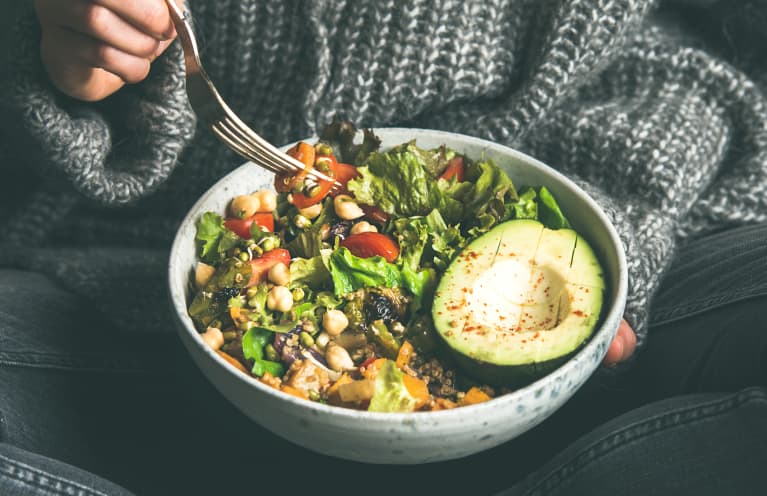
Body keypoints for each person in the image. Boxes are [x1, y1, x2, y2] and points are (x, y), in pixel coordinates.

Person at [0, 0, 764, 494]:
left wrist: (603, 220)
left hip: (591, 206)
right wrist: (58, 48)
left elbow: (684, 51)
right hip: (130, 277)